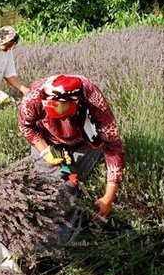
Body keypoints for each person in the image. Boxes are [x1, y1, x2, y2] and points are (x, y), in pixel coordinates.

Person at [17, 74, 124, 222]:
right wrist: (46, 151)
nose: (62, 121)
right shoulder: (32, 99)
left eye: (65, 116)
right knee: (46, 182)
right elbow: (26, 126)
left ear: (77, 102)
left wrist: (108, 197)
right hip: (47, 138)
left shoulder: (93, 99)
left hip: (83, 139)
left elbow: (113, 146)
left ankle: (73, 218)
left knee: (73, 178)